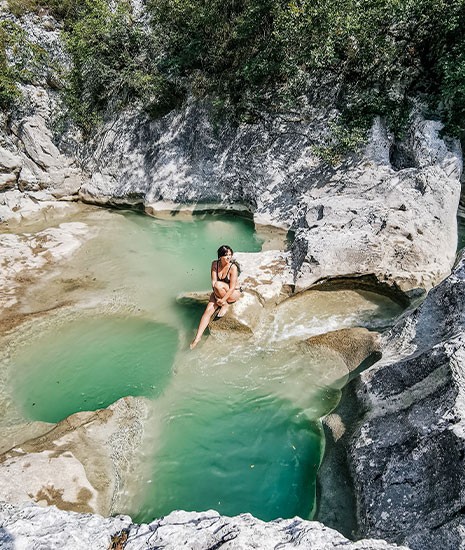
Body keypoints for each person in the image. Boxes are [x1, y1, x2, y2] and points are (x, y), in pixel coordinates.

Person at [190, 245, 241, 349]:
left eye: (230, 255)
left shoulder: (233, 268)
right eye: (226, 255)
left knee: (218, 285)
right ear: (220, 256)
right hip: (218, 291)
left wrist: (223, 300)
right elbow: (213, 282)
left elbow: (231, 288)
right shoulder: (215, 264)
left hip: (233, 293)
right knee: (208, 311)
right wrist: (217, 297)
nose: (228, 257)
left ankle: (225, 305)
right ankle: (197, 338)